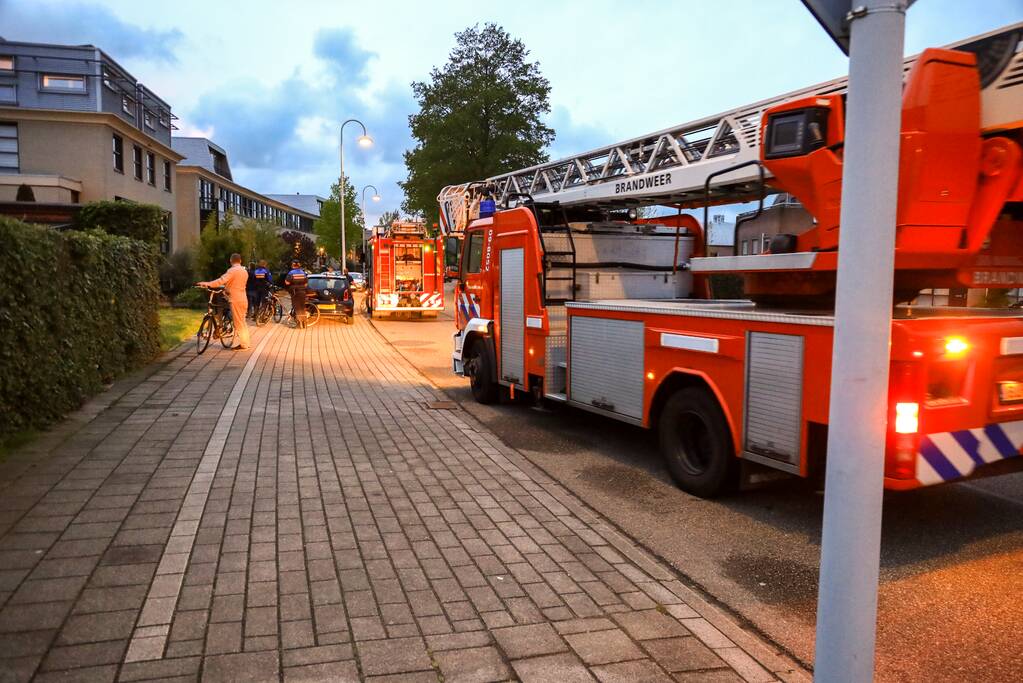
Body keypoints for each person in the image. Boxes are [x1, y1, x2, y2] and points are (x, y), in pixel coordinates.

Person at [198, 253, 251, 350]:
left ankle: (244, 345)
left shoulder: (232, 271)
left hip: (235, 299)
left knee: (238, 323)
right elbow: (236, 283)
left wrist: (207, 284)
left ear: (231, 261)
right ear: (240, 261)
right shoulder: (244, 272)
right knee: (242, 321)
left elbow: (221, 281)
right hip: (243, 298)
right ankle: (246, 343)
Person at [285, 260, 310, 329]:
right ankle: (304, 323)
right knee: (302, 307)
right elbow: (306, 283)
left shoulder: (291, 273)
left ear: (293, 265)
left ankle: (300, 324)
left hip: (294, 292)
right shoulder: (303, 273)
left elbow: (287, 282)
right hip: (302, 292)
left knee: (297, 307)